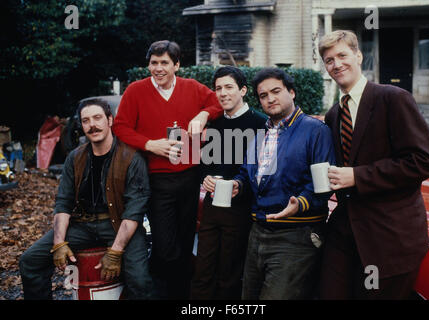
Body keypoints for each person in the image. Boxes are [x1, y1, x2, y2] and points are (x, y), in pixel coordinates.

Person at [318, 30, 429, 299]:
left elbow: (423, 161)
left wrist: (358, 176)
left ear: (359, 56)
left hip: (389, 237)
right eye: (328, 60)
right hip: (343, 232)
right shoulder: (334, 114)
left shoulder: (393, 98)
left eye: (342, 55)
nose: (336, 64)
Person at [208, 68, 335, 299]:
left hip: (296, 234)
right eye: (263, 95)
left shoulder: (315, 130)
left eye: (276, 91)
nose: (269, 99)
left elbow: (324, 186)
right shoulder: (261, 133)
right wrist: (239, 185)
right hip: (257, 232)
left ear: (292, 92)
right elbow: (247, 174)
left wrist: (302, 203)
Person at [112, 40, 222, 299]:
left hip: (190, 174)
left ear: (177, 65)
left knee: (185, 242)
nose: (158, 68)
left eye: (164, 63)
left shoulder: (192, 88)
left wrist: (203, 114)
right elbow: (121, 127)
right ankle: (161, 290)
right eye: (154, 63)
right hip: (157, 176)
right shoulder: (136, 90)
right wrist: (151, 144)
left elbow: (217, 103)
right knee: (165, 245)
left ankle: (181, 293)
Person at [19, 99, 153, 300]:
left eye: (98, 118)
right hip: (84, 225)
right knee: (30, 261)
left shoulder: (131, 157)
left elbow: (134, 210)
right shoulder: (75, 157)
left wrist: (116, 251)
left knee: (140, 281)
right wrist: (58, 243)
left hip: (120, 224)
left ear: (110, 120)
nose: (92, 125)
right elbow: (63, 202)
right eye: (86, 120)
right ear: (81, 126)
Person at [190, 66, 267, 299]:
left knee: (230, 273)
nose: (222, 93)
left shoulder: (260, 123)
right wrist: (206, 177)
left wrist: (239, 185)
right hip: (212, 207)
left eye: (229, 87)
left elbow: (265, 170)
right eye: (218, 89)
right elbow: (201, 163)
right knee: (202, 270)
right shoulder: (213, 125)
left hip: (243, 209)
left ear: (243, 90)